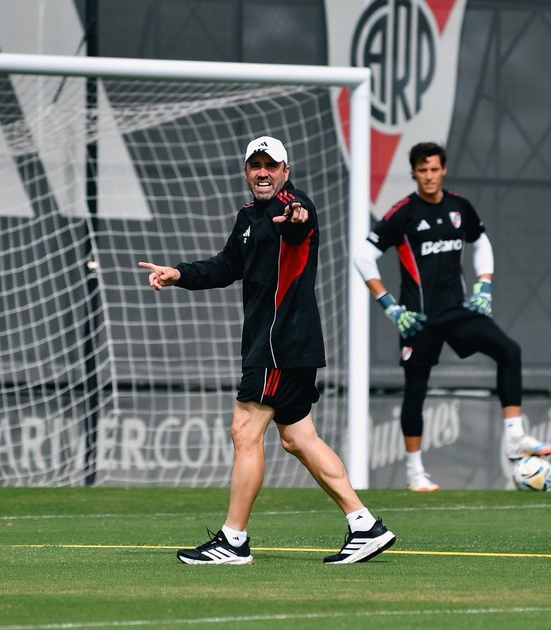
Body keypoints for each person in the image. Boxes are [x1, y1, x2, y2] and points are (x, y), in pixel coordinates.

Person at [138, 136, 395, 565]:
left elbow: (298, 222)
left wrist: (294, 216)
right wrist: (178, 273)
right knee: (298, 438)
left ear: (285, 171)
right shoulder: (248, 216)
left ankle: (233, 540)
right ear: (246, 171)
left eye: (271, 165)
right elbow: (226, 266)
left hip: (279, 343)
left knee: (244, 431)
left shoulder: (295, 205)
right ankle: (364, 524)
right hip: (282, 344)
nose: (263, 172)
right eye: (255, 165)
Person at [352, 142, 551, 492]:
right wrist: (389, 306)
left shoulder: (459, 207)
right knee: (415, 390)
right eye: (422, 170)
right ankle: (415, 472)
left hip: (457, 310)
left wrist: (484, 286)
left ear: (443, 170)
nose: (429, 176)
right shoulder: (403, 213)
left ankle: (514, 437)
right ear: (414, 173)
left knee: (509, 350)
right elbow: (363, 255)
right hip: (418, 318)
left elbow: (482, 243)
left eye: (434, 169)